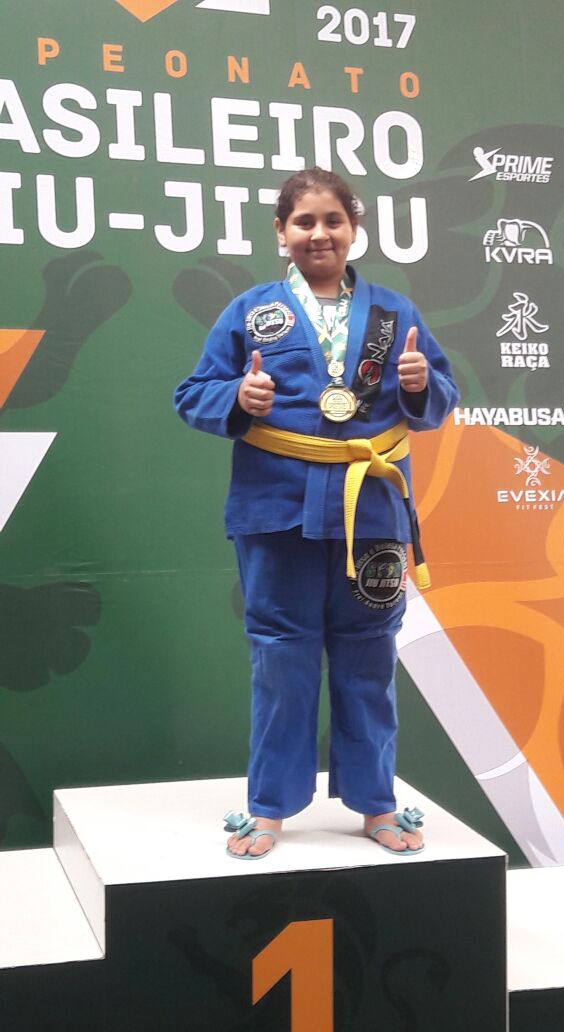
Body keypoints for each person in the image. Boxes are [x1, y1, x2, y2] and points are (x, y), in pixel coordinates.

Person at [174, 167, 459, 860]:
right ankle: (270, 805)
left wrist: (421, 384)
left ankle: (376, 802)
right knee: (281, 657)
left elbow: (441, 399)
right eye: (303, 221)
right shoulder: (250, 311)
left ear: (353, 229)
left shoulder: (394, 314)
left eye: (332, 220)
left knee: (369, 656)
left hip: (373, 510)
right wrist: (237, 397)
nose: (319, 233)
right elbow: (192, 393)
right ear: (281, 232)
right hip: (277, 509)